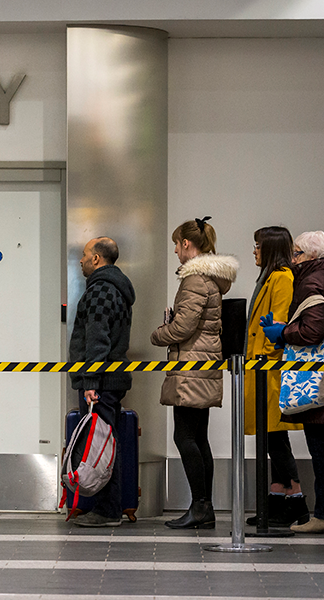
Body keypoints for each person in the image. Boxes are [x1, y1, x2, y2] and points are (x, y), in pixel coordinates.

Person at [151, 217, 238, 529]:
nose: (175, 250)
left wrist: (159, 333)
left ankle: (200, 506)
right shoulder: (211, 279)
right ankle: (204, 507)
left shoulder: (194, 280)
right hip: (203, 365)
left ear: (187, 244)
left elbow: (184, 327)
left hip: (191, 367)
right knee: (198, 437)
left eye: (177, 244)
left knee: (185, 435)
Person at [68, 237, 135, 528]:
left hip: (101, 381)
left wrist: (90, 380)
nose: (80, 261)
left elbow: (97, 340)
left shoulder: (100, 291)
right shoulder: (116, 289)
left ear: (97, 259)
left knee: (100, 445)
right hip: (110, 378)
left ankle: (107, 510)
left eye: (84, 256)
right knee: (106, 441)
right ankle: (107, 506)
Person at [243, 227, 306, 527]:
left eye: (257, 246)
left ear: (269, 248)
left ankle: (295, 501)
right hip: (262, 368)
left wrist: (264, 354)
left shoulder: (281, 277)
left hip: (269, 368)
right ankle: (278, 501)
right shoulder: (271, 277)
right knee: (271, 439)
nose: (254, 251)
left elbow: (277, 320)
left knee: (276, 438)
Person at [262, 230, 324, 533]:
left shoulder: (311, 281)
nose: (292, 258)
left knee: (321, 452)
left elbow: (312, 331)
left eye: (297, 253)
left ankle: (321, 516)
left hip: (317, 383)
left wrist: (283, 333)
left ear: (311, 257)